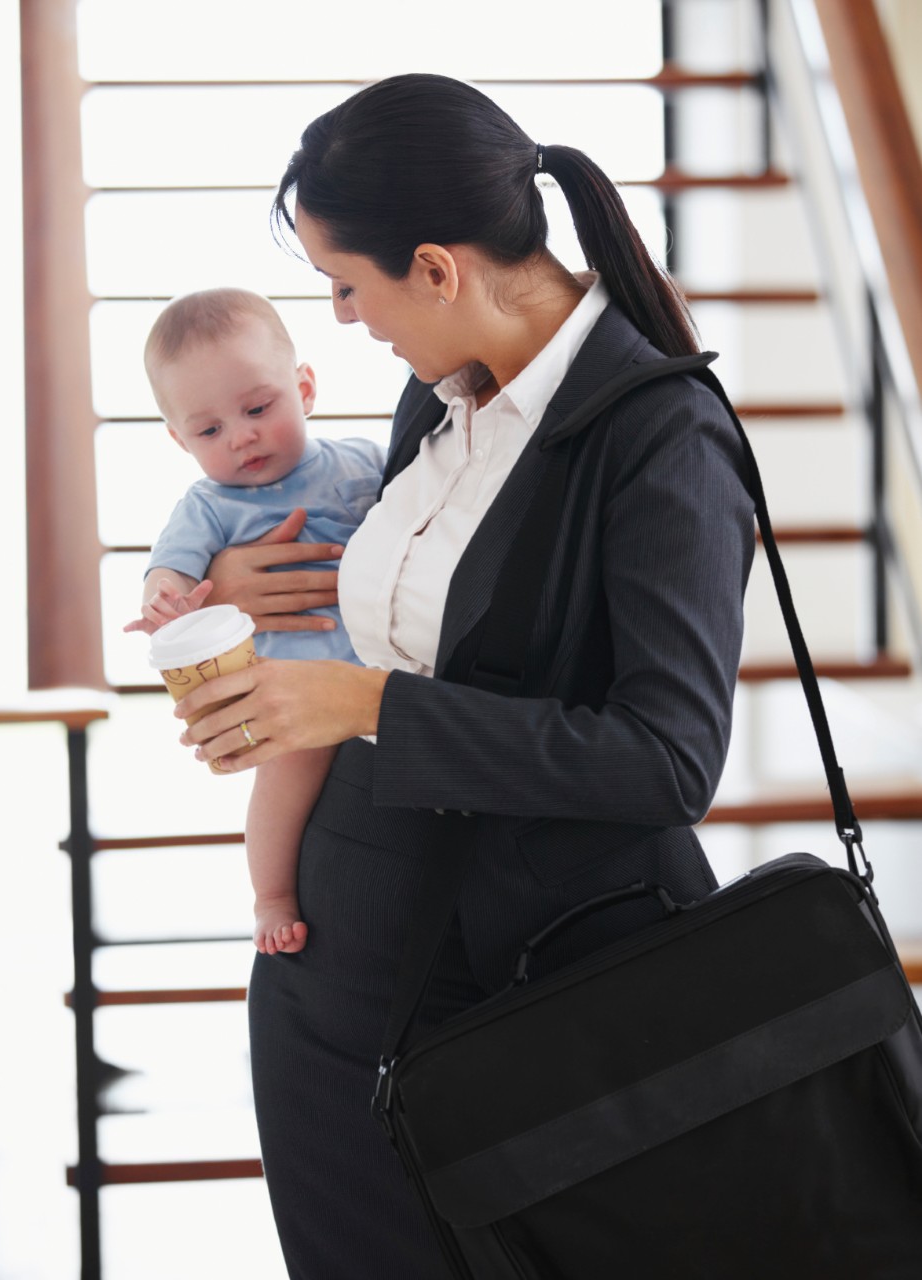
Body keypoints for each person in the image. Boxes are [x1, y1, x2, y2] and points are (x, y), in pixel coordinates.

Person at [173, 74, 756, 1279]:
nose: (339, 316)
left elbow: (665, 758)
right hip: (332, 981)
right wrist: (231, 576)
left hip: (505, 1004)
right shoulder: (432, 402)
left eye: (349, 282)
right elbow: (401, 607)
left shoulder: (660, 435)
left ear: (435, 268)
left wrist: (363, 704)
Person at [124, 287, 385, 955]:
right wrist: (167, 601)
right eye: (209, 430)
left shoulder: (363, 462)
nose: (240, 437)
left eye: (258, 408)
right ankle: (271, 894)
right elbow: (171, 568)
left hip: (391, 673)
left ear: (304, 387)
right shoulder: (208, 508)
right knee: (287, 776)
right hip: (290, 686)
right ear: (179, 440)